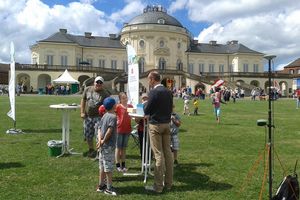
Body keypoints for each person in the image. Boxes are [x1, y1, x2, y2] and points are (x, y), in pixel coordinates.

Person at [144, 71, 173, 193]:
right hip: (166, 124)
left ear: (152, 79)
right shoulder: (168, 91)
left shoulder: (154, 92)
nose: (148, 82)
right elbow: (171, 107)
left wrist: (145, 103)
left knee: (158, 155)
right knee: (168, 153)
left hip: (156, 125)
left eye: (149, 80)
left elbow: (147, 109)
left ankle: (158, 186)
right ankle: (169, 184)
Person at [80, 76, 110, 158]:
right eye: (97, 82)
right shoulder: (88, 89)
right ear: (94, 82)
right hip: (88, 116)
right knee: (88, 134)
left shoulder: (105, 93)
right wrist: (82, 112)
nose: (98, 84)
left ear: (102, 84)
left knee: (98, 135)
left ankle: (98, 151)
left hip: (99, 117)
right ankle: (91, 149)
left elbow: (109, 105)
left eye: (100, 83)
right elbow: (83, 100)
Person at [96, 97, 117, 196]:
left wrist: (100, 140)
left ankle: (101, 185)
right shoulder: (113, 117)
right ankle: (109, 188)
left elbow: (99, 128)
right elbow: (110, 130)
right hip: (108, 145)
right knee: (108, 167)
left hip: (102, 145)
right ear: (113, 106)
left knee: (102, 166)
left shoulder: (104, 115)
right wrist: (103, 140)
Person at [115, 92, 133, 172]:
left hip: (127, 129)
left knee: (124, 148)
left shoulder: (130, 106)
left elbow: (133, 116)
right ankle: (118, 165)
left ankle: (123, 165)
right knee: (118, 148)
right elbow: (113, 114)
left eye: (126, 97)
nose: (125, 99)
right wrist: (116, 121)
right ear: (120, 99)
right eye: (123, 98)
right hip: (119, 129)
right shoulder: (118, 107)